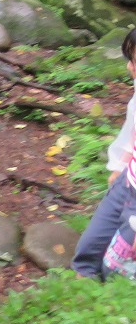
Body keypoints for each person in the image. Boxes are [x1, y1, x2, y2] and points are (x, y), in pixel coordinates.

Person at [72, 26, 136, 280]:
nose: (130, 68)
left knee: (117, 271)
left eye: (135, 61)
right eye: (131, 59)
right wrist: (120, 165)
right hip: (127, 183)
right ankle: (79, 299)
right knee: (87, 255)